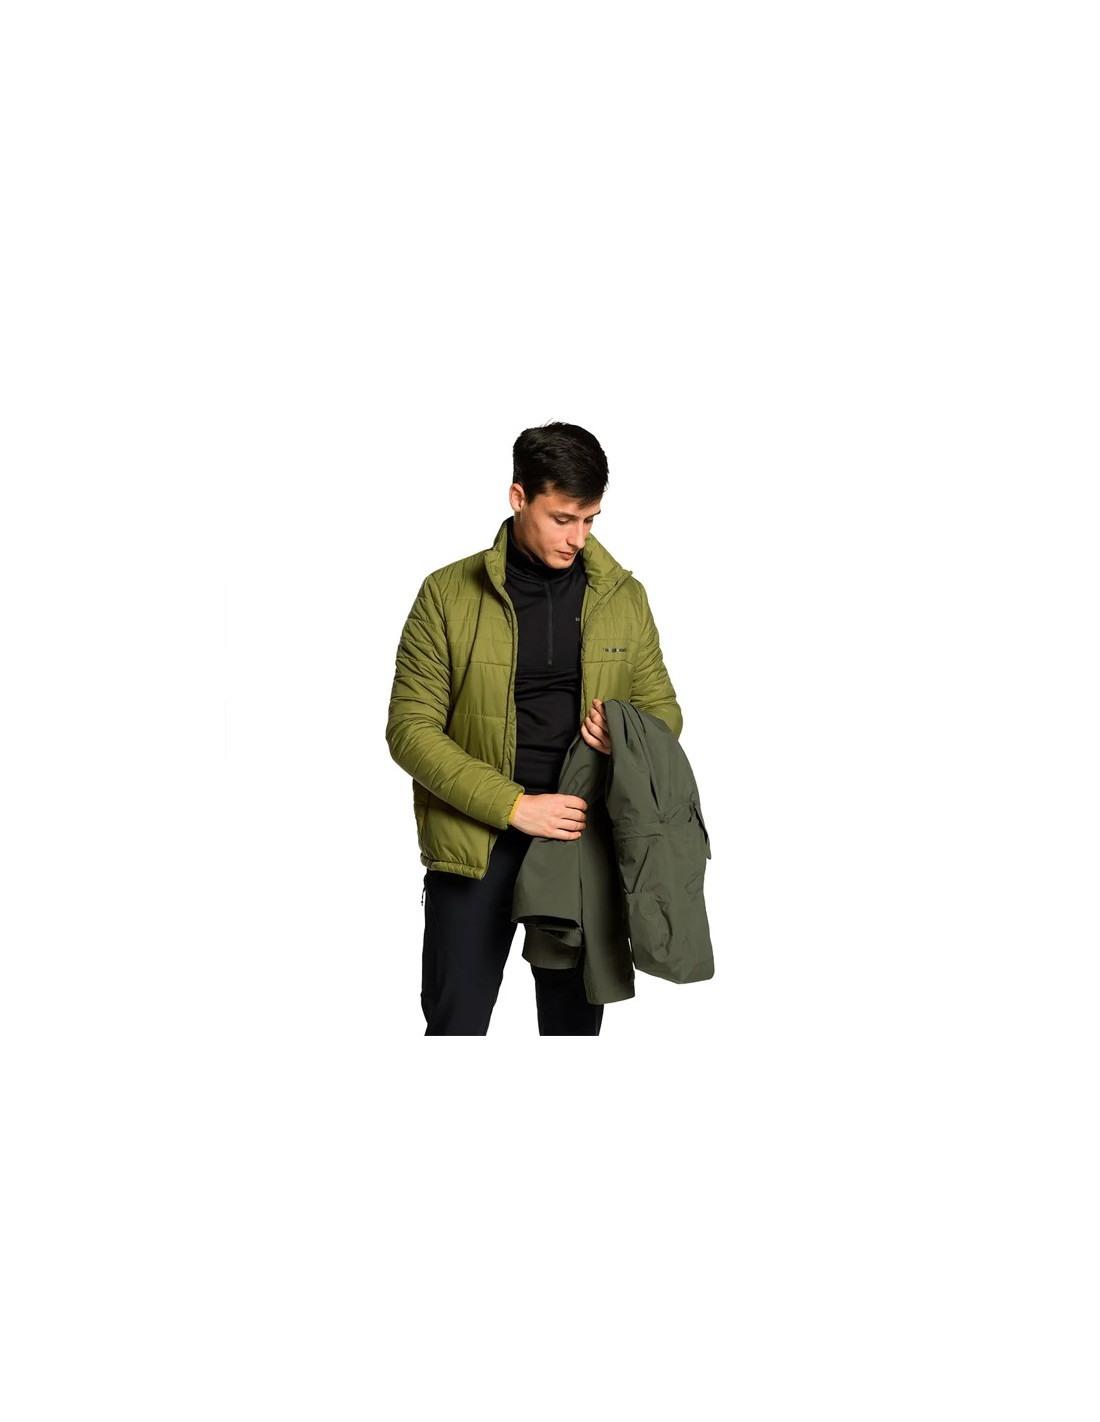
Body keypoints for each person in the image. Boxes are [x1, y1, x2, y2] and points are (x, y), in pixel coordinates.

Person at [386, 421, 683, 1036]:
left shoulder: (624, 597)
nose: (577, 538)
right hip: (474, 845)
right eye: (562, 518)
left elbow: (663, 711)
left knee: (573, 1030)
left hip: (579, 839)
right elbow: (410, 730)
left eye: (590, 520)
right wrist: (515, 806)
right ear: (518, 497)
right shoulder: (446, 594)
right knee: (455, 1025)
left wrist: (626, 734)